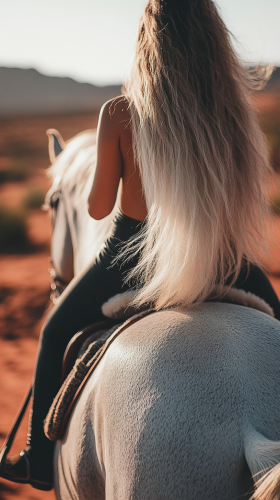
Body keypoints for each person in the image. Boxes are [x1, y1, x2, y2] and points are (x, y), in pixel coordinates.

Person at [1, 0, 280, 491]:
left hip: (129, 260)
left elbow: (96, 207)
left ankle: (37, 460)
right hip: (225, 261)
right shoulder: (233, 115)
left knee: (54, 332)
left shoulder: (122, 113)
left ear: (149, 46)